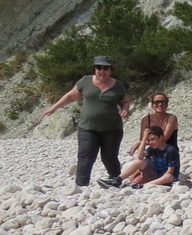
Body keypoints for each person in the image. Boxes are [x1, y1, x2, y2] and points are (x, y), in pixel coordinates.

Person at [42, 55, 131, 188]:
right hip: (88, 128)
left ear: (110, 70)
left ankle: (115, 181)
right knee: (85, 156)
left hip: (112, 128)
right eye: (99, 67)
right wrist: (54, 107)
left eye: (105, 68)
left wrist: (125, 109)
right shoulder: (85, 81)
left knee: (109, 157)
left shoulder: (118, 85)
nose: (102, 71)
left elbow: (125, 101)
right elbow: (71, 96)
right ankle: (81, 186)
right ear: (94, 69)